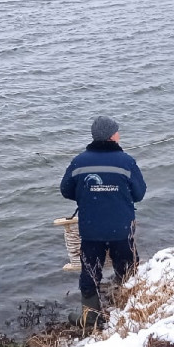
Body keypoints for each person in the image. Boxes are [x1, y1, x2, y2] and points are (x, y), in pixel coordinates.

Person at [60, 116, 147, 331]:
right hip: (121, 228)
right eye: (117, 132)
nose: (119, 134)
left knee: (90, 270)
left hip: (91, 228)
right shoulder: (126, 161)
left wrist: (90, 194)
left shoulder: (79, 161)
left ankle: (91, 317)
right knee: (127, 266)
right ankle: (131, 306)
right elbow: (139, 193)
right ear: (111, 136)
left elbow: (66, 190)